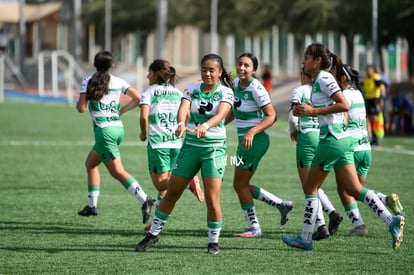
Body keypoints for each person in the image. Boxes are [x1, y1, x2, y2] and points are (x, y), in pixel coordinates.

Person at [282, 43, 405, 251]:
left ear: (317, 60)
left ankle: (305, 238)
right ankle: (391, 221)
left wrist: (313, 112)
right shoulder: (321, 79)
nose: (303, 61)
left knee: (310, 187)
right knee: (354, 188)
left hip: (332, 139)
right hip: (342, 139)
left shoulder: (323, 77)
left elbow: (343, 105)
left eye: (307, 57)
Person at [135, 53, 234, 254]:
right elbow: (183, 108)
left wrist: (206, 125)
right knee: (171, 192)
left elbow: (222, 114)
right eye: (204, 69)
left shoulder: (226, 92)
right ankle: (153, 234)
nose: (207, 73)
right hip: (189, 147)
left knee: (212, 199)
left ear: (220, 72)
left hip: (214, 149)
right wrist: (181, 124)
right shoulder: (191, 89)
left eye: (211, 70)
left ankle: (213, 242)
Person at [76, 50, 154, 224]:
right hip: (117, 129)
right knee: (90, 164)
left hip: (104, 132)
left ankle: (144, 199)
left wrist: (84, 98)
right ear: (112, 66)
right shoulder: (118, 81)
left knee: (117, 172)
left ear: (94, 64)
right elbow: (138, 98)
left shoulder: (88, 81)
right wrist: (121, 111)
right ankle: (92, 205)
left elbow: (81, 108)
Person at [226, 53, 294, 238]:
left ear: (253, 70)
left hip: (255, 140)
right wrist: (215, 124)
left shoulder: (257, 88)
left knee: (239, 185)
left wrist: (251, 132)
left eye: (246, 65)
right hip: (247, 140)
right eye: (239, 64)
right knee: (242, 184)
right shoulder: (235, 85)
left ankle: (254, 228)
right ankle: (281, 205)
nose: (241, 68)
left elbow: (271, 116)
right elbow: (234, 110)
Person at [339, 64, 405, 237]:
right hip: (365, 147)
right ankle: (385, 200)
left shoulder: (344, 95)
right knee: (357, 189)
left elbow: (343, 121)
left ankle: (362, 225)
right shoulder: (358, 93)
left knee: (346, 190)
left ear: (343, 79)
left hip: (351, 148)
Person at [139, 59, 204, 212]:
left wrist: (143, 133)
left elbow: (143, 117)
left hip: (158, 143)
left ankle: (188, 182)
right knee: (168, 186)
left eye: (149, 72)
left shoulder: (149, 92)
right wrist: (181, 127)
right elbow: (187, 114)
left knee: (161, 184)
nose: (147, 76)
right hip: (176, 142)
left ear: (156, 74)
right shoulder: (177, 92)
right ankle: (157, 221)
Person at [288, 68, 343, 241]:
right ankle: (332, 212)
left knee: (308, 186)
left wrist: (293, 131)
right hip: (323, 135)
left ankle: (321, 226)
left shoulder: (300, 90)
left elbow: (292, 115)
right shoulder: (321, 91)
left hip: (307, 137)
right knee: (314, 183)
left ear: (304, 75)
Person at [362, 64, 386, 145]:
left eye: (369, 70)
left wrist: (381, 99)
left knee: (375, 119)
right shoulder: (366, 80)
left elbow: (382, 87)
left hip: (375, 100)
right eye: (367, 70)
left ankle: (376, 138)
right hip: (368, 100)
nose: (368, 72)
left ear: (372, 70)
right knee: (368, 119)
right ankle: (372, 137)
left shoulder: (375, 77)